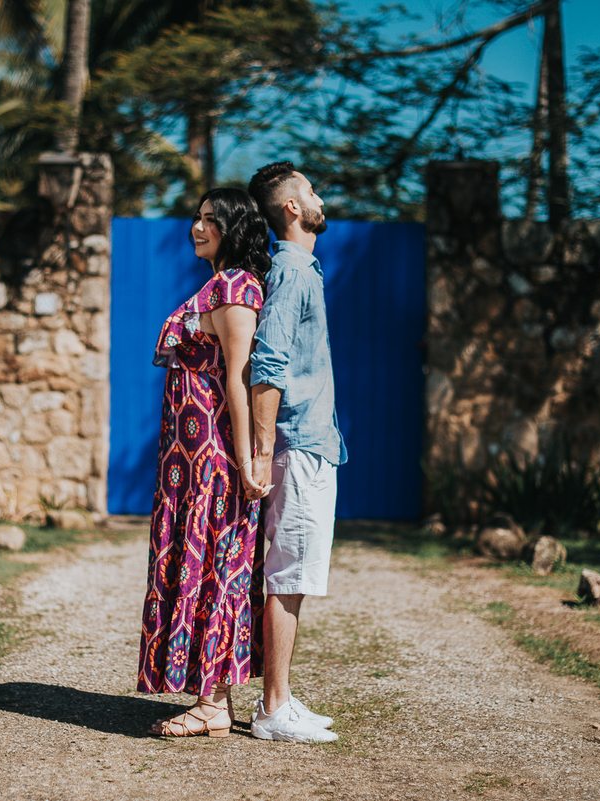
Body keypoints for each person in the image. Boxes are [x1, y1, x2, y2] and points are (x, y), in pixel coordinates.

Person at [137, 188, 271, 738]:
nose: (197, 226)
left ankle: (213, 704)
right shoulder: (217, 285)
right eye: (196, 217)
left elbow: (239, 379)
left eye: (210, 219)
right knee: (198, 568)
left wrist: (247, 460)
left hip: (214, 461)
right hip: (186, 464)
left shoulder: (237, 288)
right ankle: (209, 698)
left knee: (216, 571)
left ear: (233, 228)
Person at [244, 161, 347, 744]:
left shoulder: (301, 269)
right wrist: (262, 451)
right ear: (291, 207)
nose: (319, 198)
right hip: (297, 445)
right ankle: (272, 709)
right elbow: (268, 363)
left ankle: (280, 696)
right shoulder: (290, 271)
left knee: (296, 574)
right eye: (311, 190)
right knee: (288, 574)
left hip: (311, 442)